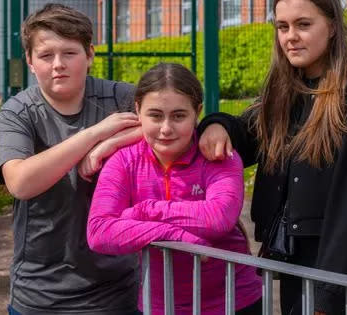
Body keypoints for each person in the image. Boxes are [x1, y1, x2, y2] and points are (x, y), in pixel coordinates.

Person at [198, 0, 347, 315]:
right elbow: (248, 134)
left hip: (338, 272)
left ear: (332, 26)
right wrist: (215, 124)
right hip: (293, 260)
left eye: (303, 25)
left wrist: (328, 298)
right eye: (282, 26)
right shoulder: (286, 90)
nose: (291, 37)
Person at [0, 3, 143, 315]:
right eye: (46, 56)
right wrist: (93, 135)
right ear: (31, 62)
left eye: (70, 53)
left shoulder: (122, 98)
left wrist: (108, 145)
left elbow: (170, 130)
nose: (58, 64)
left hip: (118, 293)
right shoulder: (18, 112)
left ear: (90, 54)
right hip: (39, 295)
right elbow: (20, 182)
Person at [86, 63, 262, 315]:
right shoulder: (124, 161)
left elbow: (218, 219)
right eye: (155, 115)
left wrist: (144, 211)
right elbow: (99, 231)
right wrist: (175, 236)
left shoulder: (219, 155)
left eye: (179, 116)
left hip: (235, 302)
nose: (166, 128)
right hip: (160, 305)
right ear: (138, 111)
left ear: (197, 112)